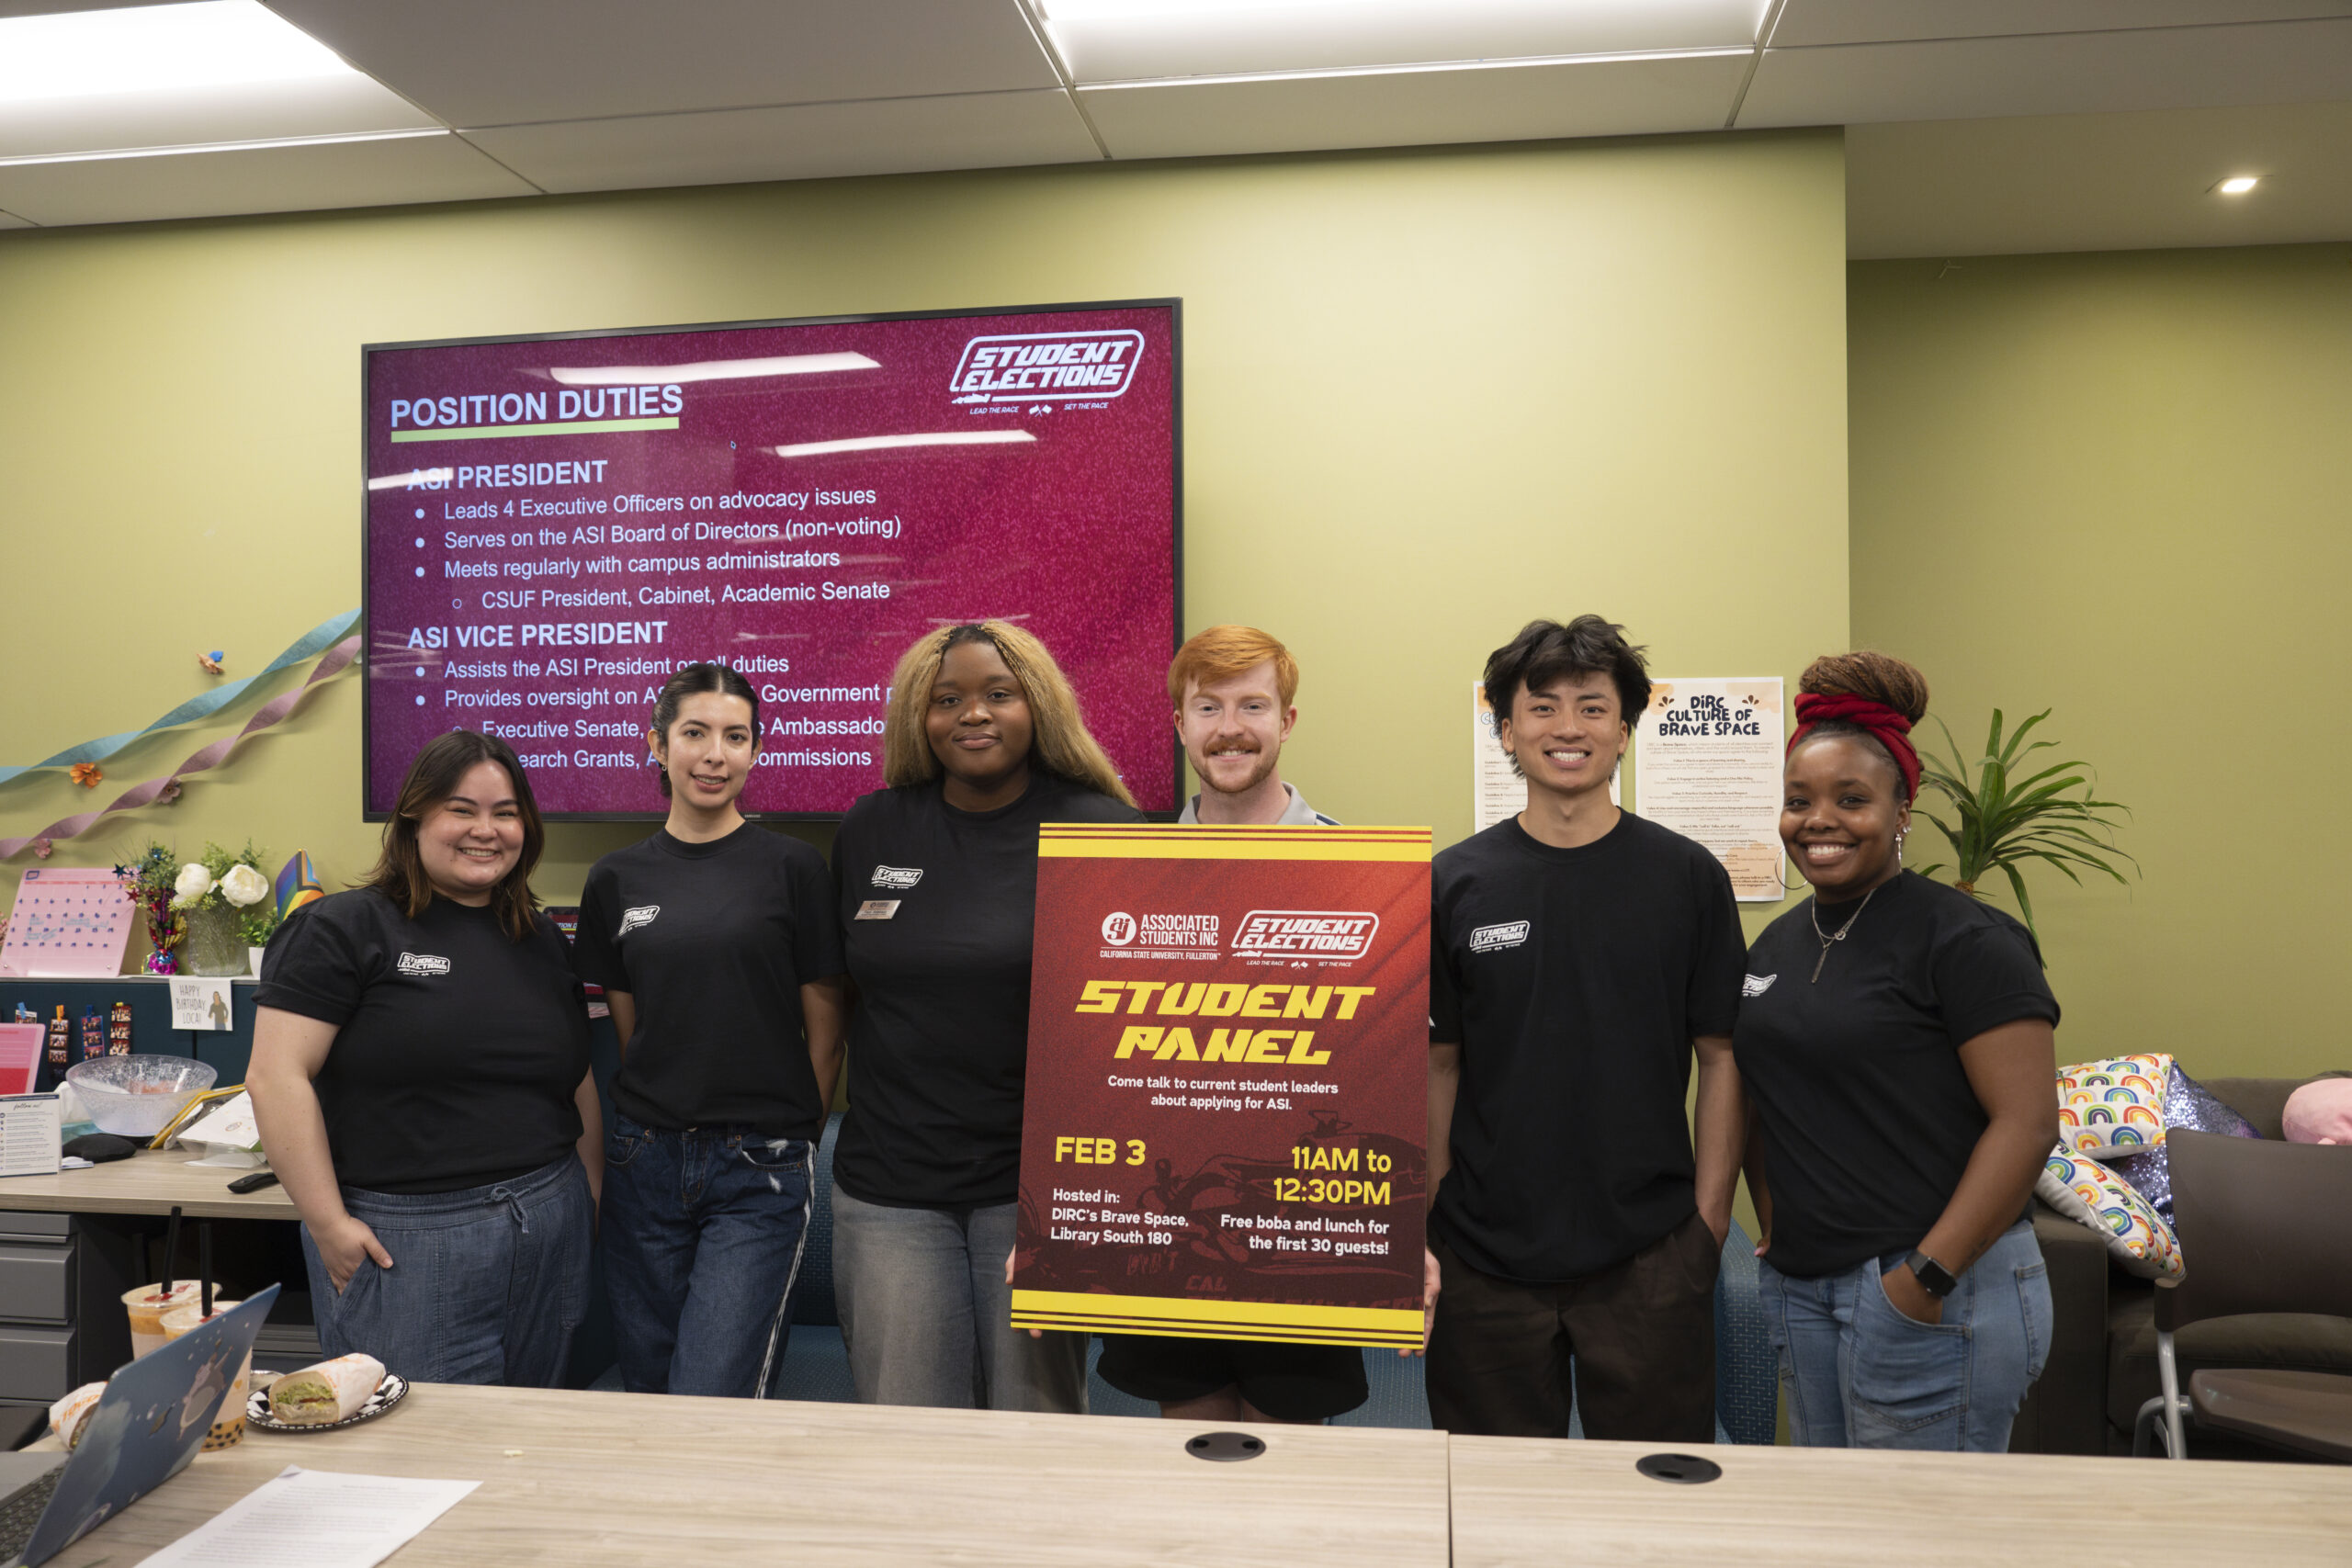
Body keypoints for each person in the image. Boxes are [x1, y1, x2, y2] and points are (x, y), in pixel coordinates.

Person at [1425, 615, 1746, 1441]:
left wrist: (1707, 1227)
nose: (1568, 727)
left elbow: (1722, 1057)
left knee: (1651, 1507)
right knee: (1490, 1506)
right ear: (1506, 729)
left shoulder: (1688, 878)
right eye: (1542, 707)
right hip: (1484, 1262)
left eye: (1593, 708)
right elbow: (1439, 1065)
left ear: (1626, 731)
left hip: (1648, 1258)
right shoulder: (1453, 883)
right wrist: (1431, 1224)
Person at [1735, 651, 2058, 1451]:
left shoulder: (1965, 937)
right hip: (1804, 1289)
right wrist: (1775, 1231)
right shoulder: (1776, 942)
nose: (1819, 820)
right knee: (1837, 1527)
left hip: (1938, 1290)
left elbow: (2026, 1123)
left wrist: (1924, 1278)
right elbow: (1764, 1096)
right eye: (1798, 800)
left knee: (1921, 1534)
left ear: (1903, 808)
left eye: (1853, 799)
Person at [829, 620, 1144, 1411]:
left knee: (1035, 1443)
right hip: (891, 1188)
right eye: (948, 699)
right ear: (918, 718)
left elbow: (1135, 1031)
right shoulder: (872, 827)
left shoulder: (1101, 829)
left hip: (1037, 1191)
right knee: (907, 1433)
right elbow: (842, 991)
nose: (973, 714)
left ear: (1036, 705)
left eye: (998, 694)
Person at [249, 730, 599, 1386]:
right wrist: (327, 1223)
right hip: (408, 1242)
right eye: (461, 809)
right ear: (414, 817)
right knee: (408, 1461)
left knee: (531, 1440)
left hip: (549, 1222)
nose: (485, 830)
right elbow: (275, 1076)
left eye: (505, 812)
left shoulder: (542, 938)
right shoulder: (343, 928)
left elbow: (574, 1076)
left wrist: (591, 1192)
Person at [1094, 624, 1366, 1424]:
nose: (1229, 727)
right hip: (1173, 1224)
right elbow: (1097, 1065)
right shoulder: (1124, 878)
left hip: (1304, 1226)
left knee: (1291, 1477)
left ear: (1287, 721)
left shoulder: (1358, 873)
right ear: (1180, 725)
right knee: (1189, 1464)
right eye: (1207, 706)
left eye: (1253, 704)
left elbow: (1385, 1069)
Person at [570, 662, 848, 1398]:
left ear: (757, 751)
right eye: (694, 733)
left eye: (735, 736)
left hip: (758, 1167)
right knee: (651, 1385)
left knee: (713, 1394)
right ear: (657, 744)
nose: (714, 754)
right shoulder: (614, 879)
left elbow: (826, 1032)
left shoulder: (793, 870)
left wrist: (794, 1138)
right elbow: (633, 1031)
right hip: (643, 1163)